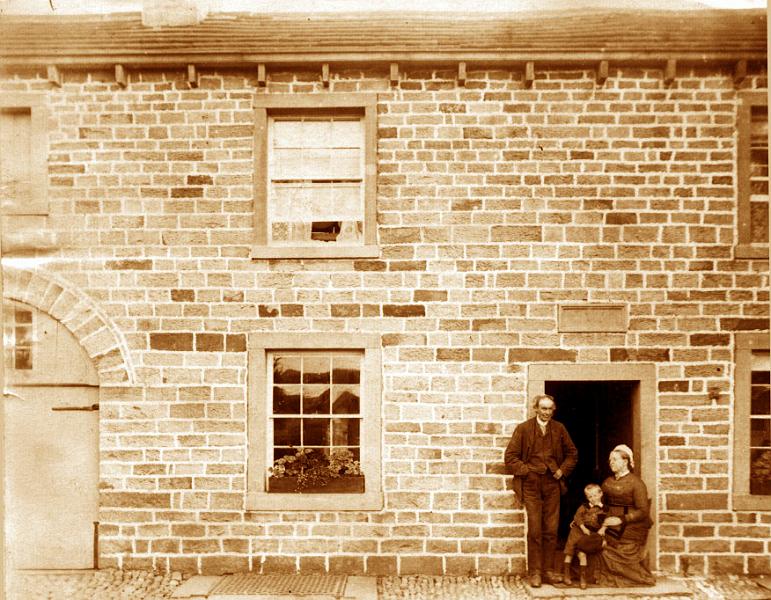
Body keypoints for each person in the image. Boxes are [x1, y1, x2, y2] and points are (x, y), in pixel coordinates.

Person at [504, 394, 578, 588]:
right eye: (543, 408)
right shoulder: (524, 429)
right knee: (535, 530)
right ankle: (535, 572)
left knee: (551, 529)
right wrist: (526, 471)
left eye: (550, 409)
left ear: (553, 410)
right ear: (535, 409)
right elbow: (510, 457)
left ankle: (548, 571)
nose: (546, 413)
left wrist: (562, 470)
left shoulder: (559, 429)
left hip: (552, 485)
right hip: (531, 485)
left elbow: (572, 453)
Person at [595, 444, 655, 587]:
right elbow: (601, 505)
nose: (611, 463)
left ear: (625, 461)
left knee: (609, 554)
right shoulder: (607, 482)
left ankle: (633, 572)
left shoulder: (636, 483)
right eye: (610, 460)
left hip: (631, 526)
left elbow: (643, 511)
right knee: (592, 546)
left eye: (615, 460)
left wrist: (621, 519)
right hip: (610, 524)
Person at [562, 483, 607, 588]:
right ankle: (566, 574)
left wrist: (603, 533)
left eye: (595, 495)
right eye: (590, 497)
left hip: (590, 534)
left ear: (601, 494)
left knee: (582, 553)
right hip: (578, 530)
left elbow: (606, 521)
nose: (593, 499)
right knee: (570, 551)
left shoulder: (604, 509)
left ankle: (583, 578)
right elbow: (577, 517)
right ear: (587, 497)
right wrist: (583, 528)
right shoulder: (584, 507)